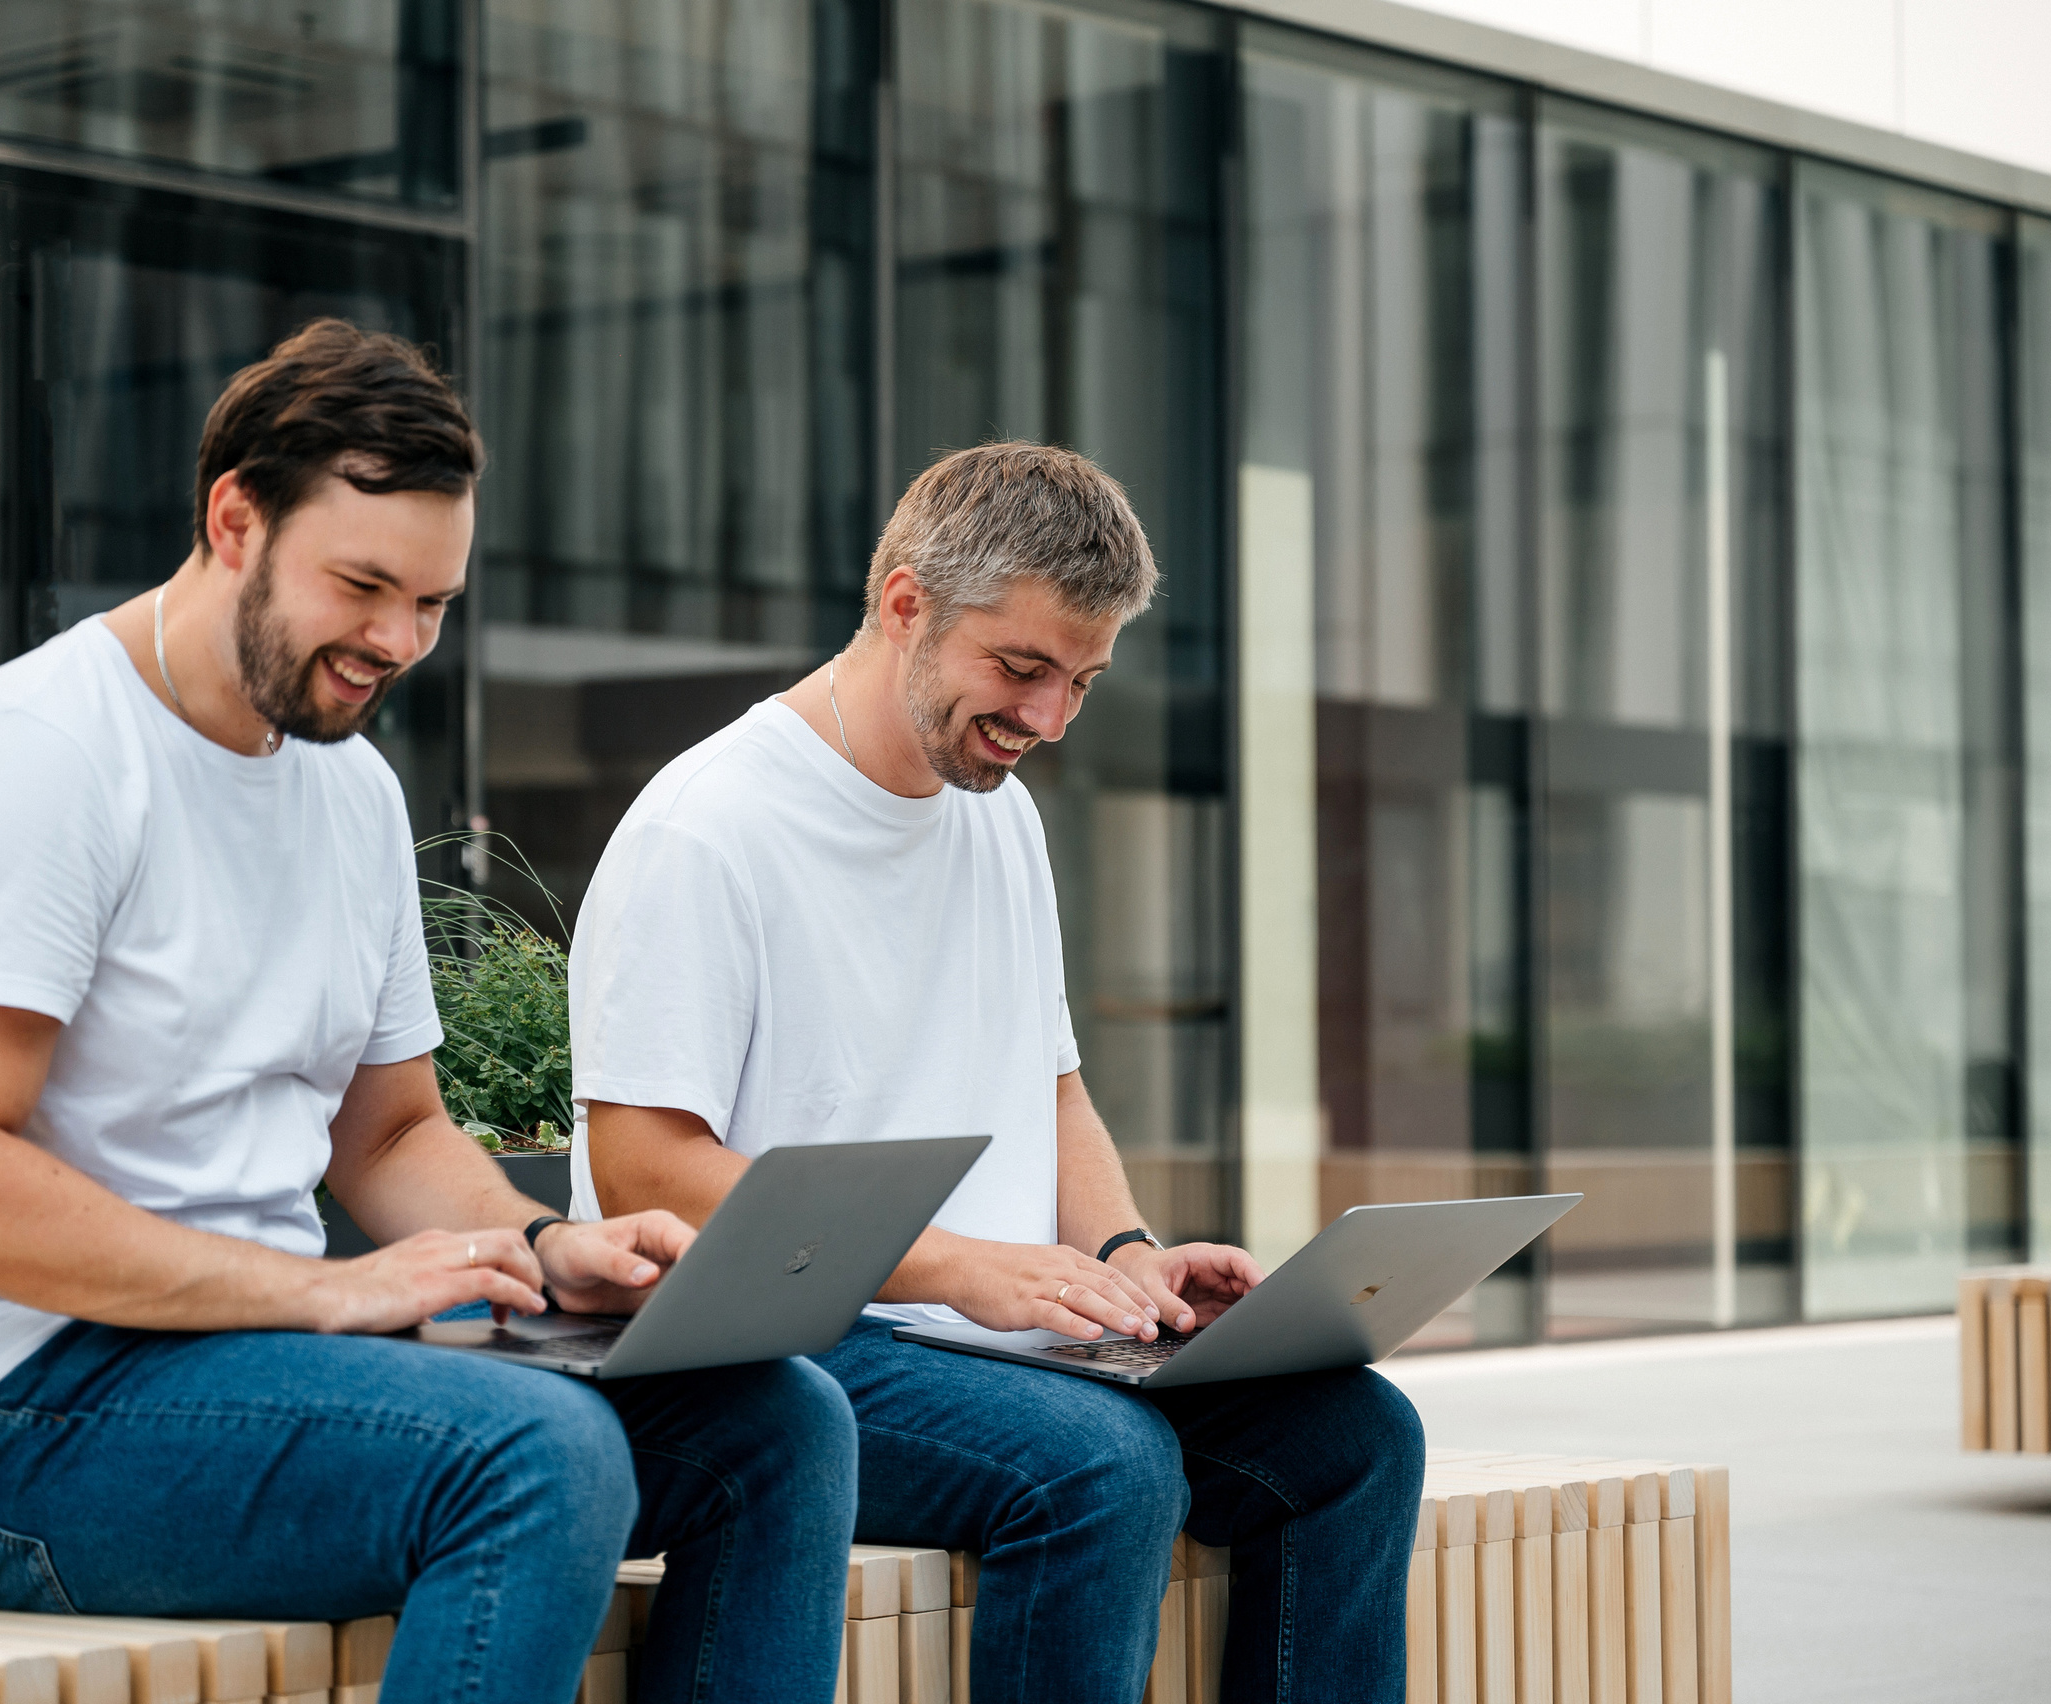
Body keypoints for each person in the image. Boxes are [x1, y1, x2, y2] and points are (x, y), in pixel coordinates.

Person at [0, 320, 857, 1704]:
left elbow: (384, 1139)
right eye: (364, 585)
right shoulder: (36, 761)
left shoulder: (351, 790)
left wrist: (549, 1249)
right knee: (536, 1462)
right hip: (9, 1419)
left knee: (781, 1425)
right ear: (233, 520)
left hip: (247, 1360)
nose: (398, 641)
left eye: (433, 604)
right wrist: (325, 1294)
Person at [574, 442, 1426, 1704]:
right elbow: (645, 1169)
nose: (1048, 719)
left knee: (1353, 1436)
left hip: (996, 1341)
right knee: (1101, 1467)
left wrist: (1129, 1253)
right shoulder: (709, 828)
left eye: (1081, 680)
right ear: (904, 602)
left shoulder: (998, 815)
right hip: (790, 1348)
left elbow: (1052, 1084)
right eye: (1020, 668)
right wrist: (963, 1270)